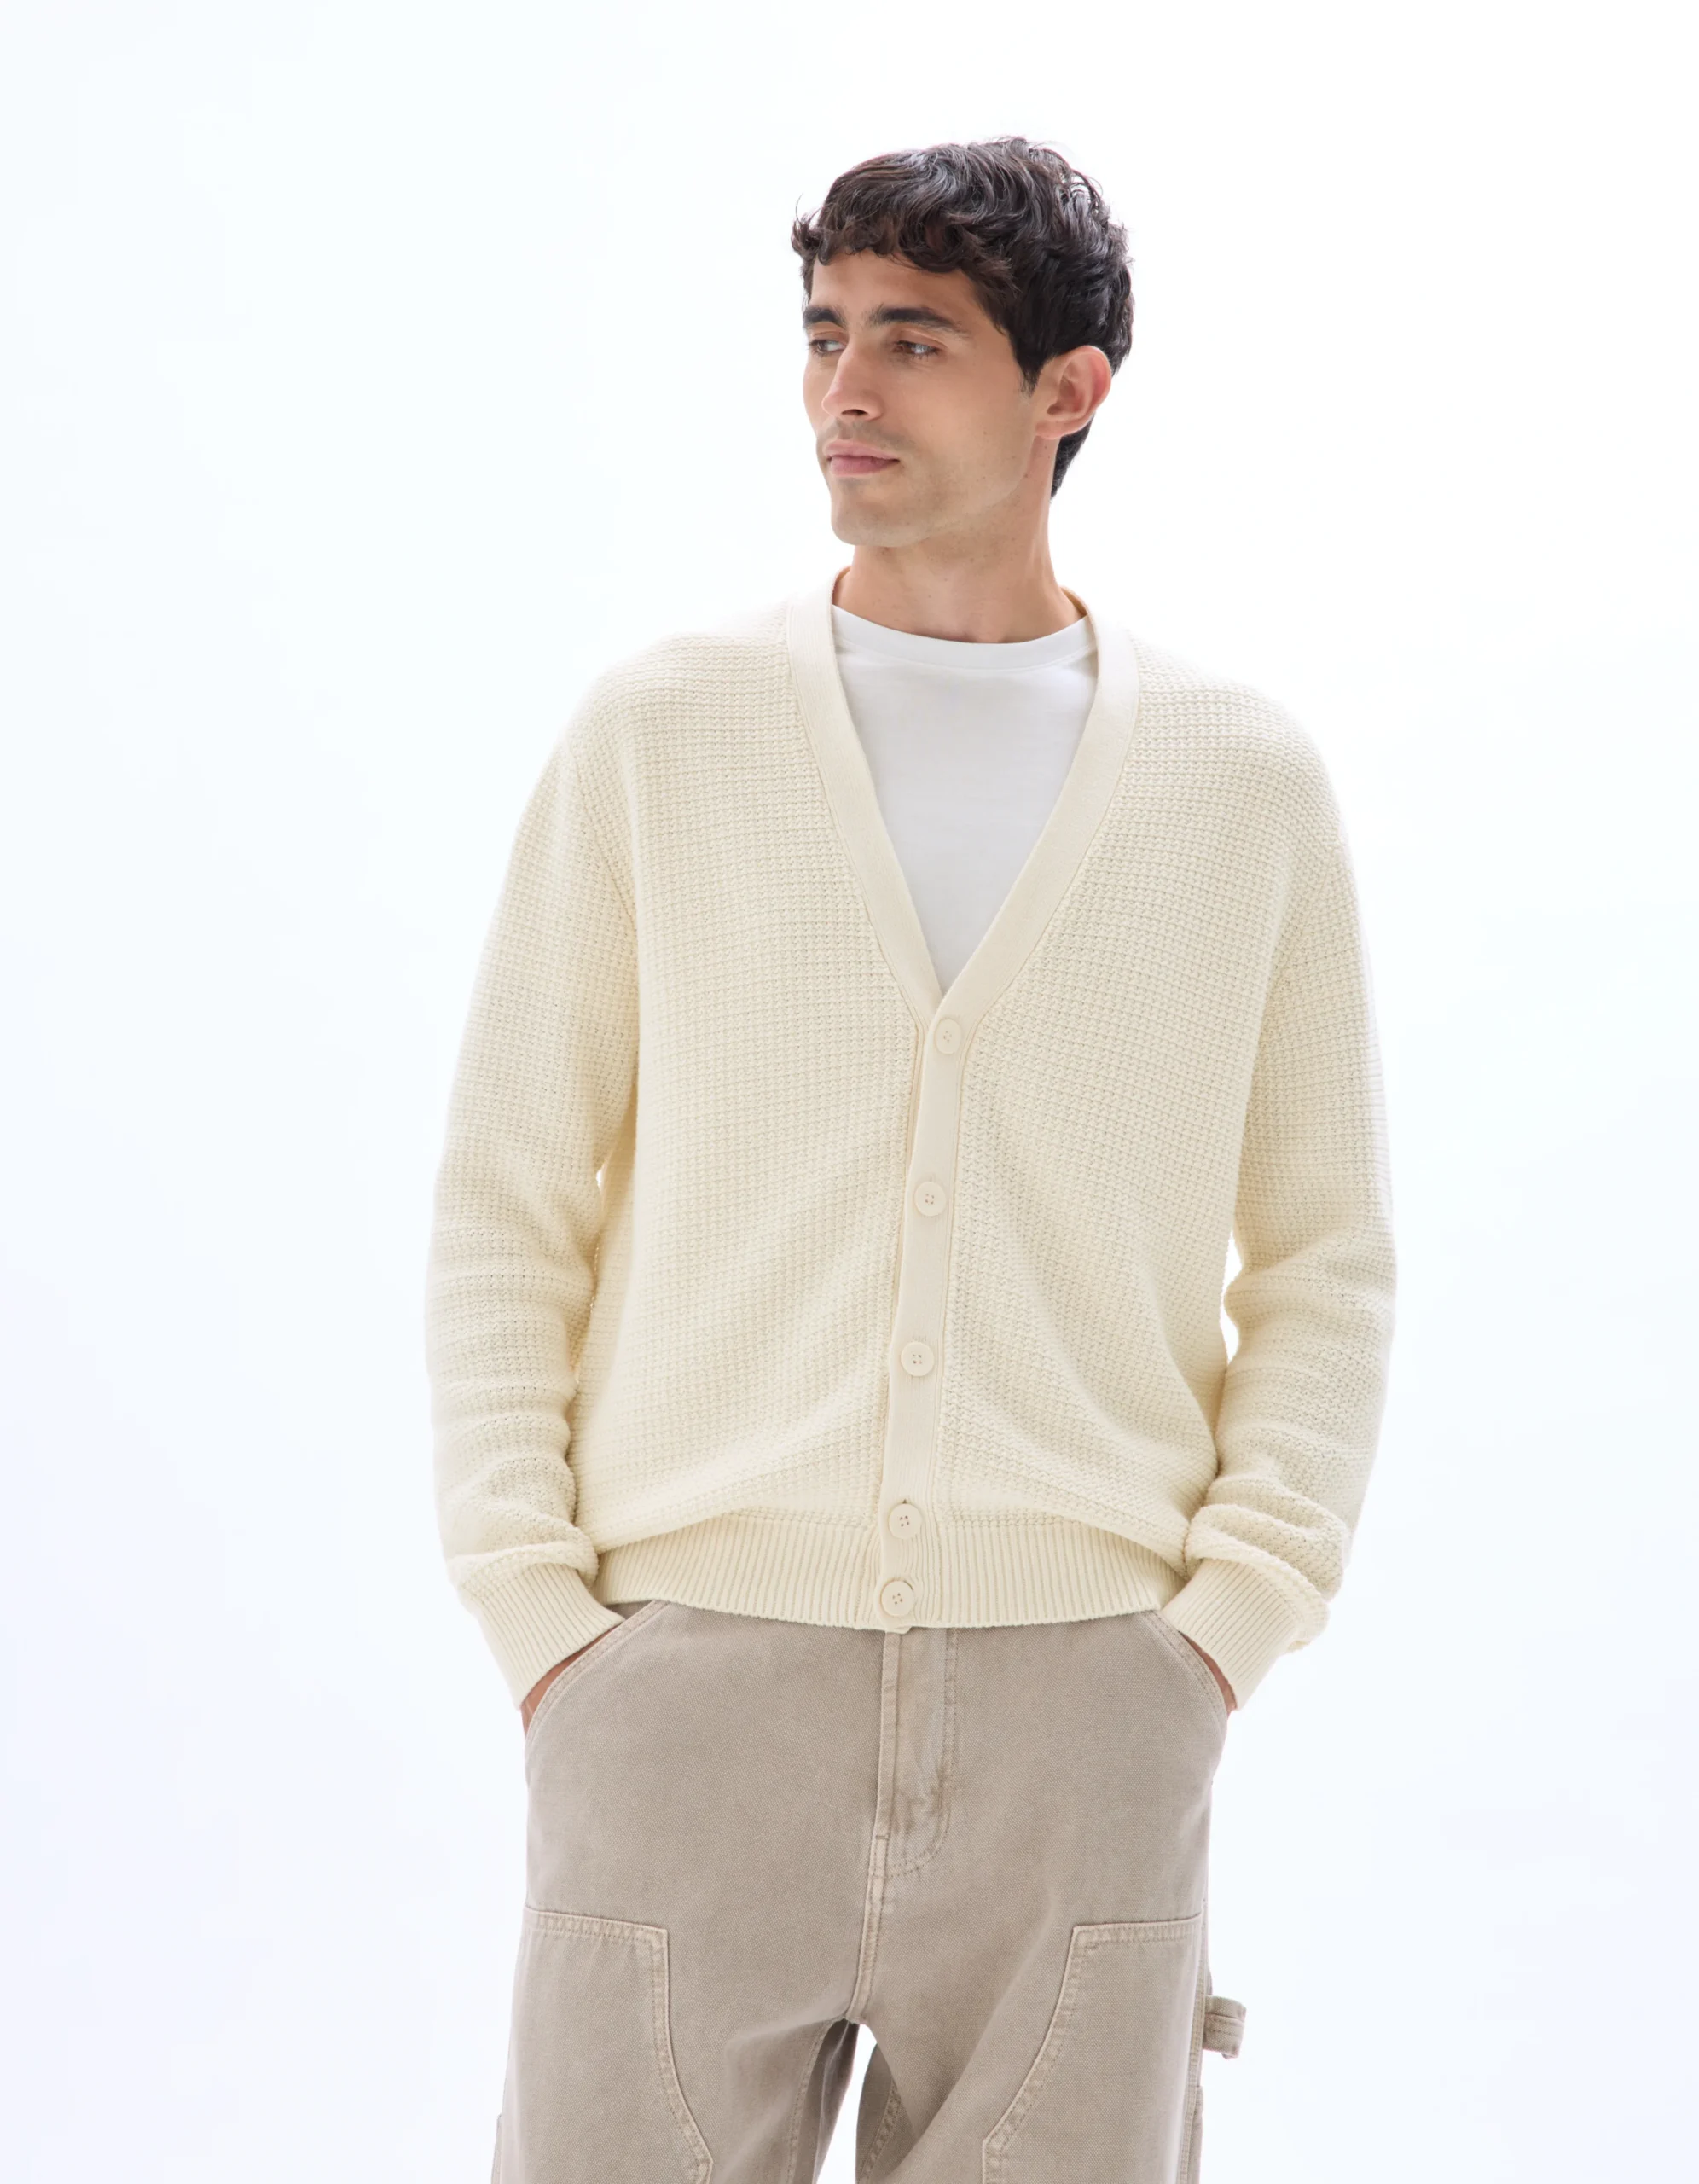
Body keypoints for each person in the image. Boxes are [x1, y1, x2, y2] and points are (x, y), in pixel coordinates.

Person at [424, 135, 1396, 2183]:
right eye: (823, 334)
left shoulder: (1241, 785)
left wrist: (1221, 1628)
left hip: (1086, 1709)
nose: (842, 391)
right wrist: (545, 1620)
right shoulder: (660, 735)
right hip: (683, 1683)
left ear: (1069, 389)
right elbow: (509, 1193)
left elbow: (1325, 1253)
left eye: (915, 341)